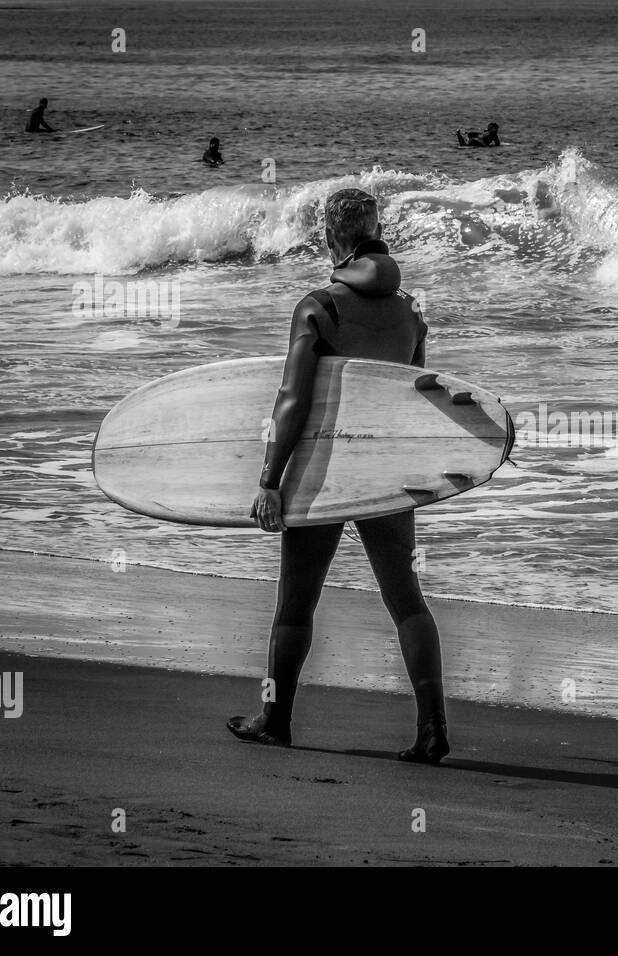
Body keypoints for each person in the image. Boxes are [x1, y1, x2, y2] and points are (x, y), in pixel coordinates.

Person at [228, 188, 450, 764]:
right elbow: (412, 398)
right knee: (406, 601)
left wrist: (269, 479)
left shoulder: (317, 307)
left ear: (331, 239)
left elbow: (291, 400)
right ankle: (432, 729)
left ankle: (275, 719)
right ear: (377, 232)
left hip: (324, 468)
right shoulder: (410, 313)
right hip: (384, 471)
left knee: (295, 603)